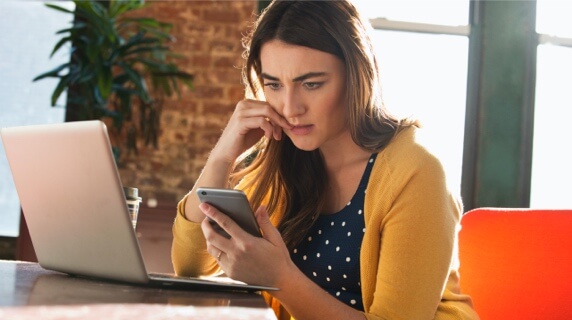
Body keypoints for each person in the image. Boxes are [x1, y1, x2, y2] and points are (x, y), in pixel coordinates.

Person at [171, 1, 479, 319]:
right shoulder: (289, 156)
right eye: (273, 84)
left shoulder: (416, 170)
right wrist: (223, 154)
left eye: (311, 84)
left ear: (357, 76)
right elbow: (191, 266)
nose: (290, 107)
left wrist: (280, 279)